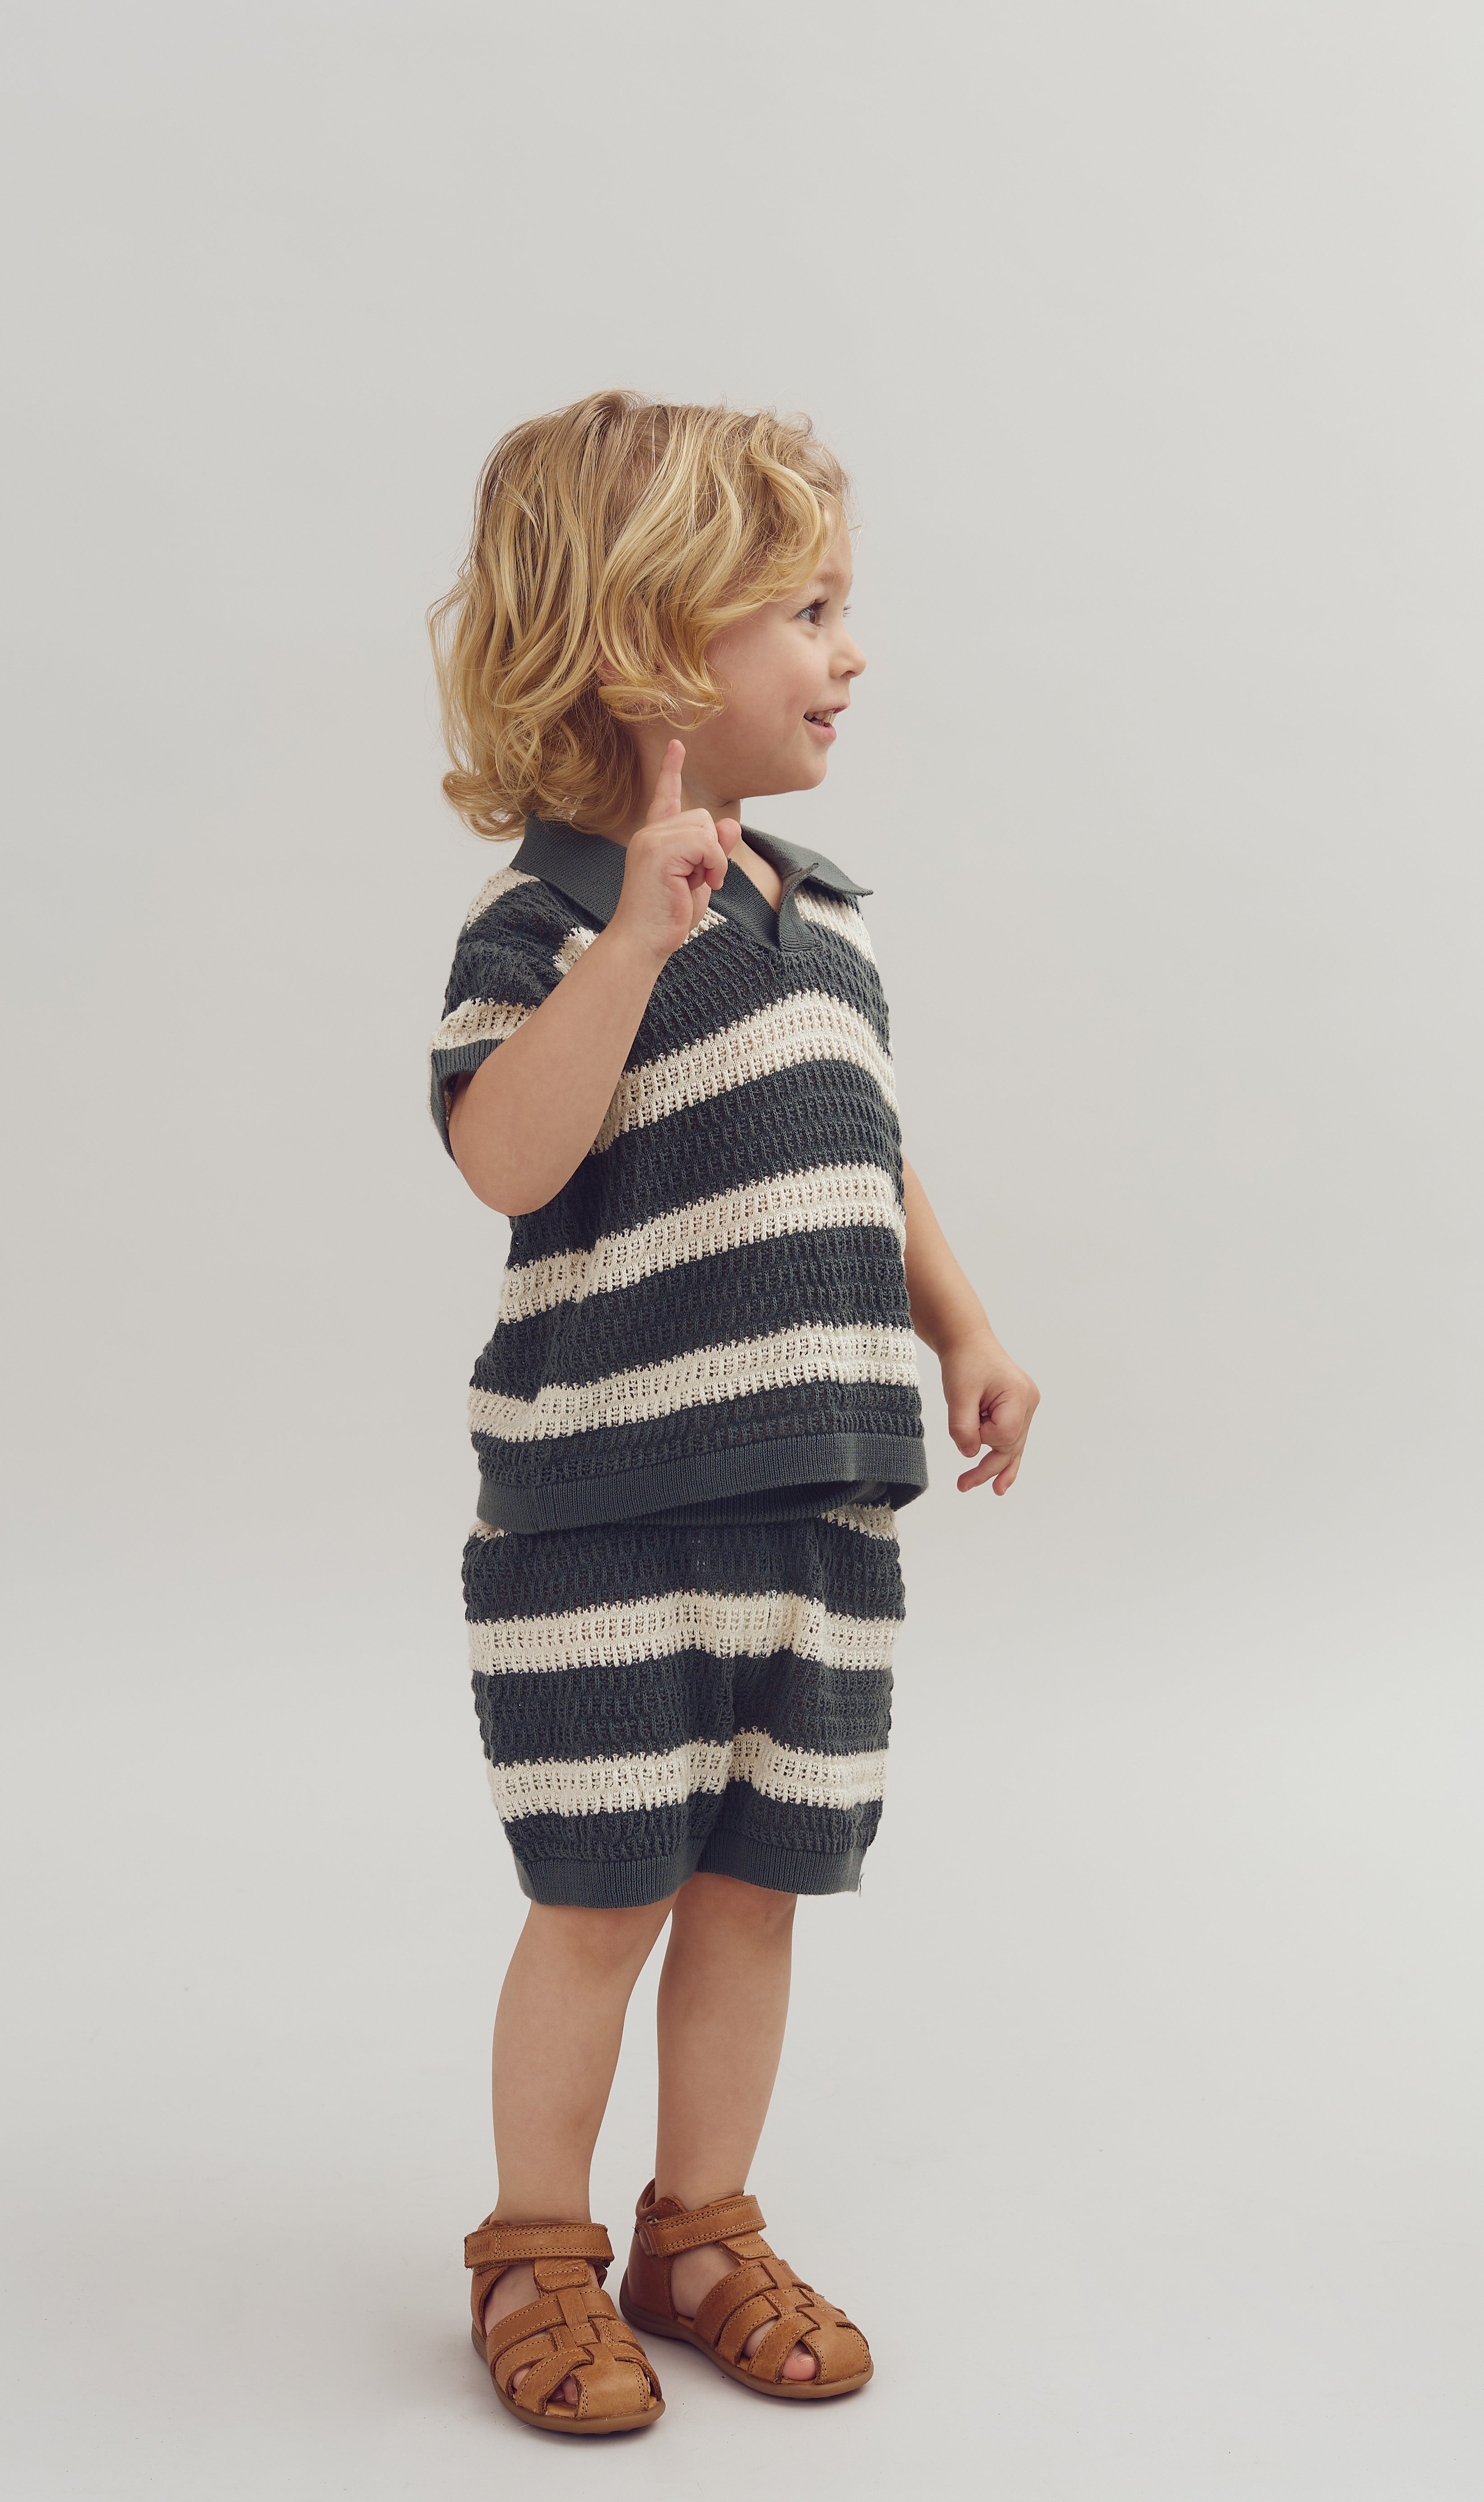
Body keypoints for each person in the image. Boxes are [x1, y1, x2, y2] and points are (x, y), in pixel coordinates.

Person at [425, 391, 1040, 2436]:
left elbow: (867, 1152)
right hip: (610, 1519)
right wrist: (625, 946)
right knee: (599, 1899)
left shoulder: (826, 915)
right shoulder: (547, 930)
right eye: (804, 607)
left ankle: (700, 2226)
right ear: (647, 652)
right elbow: (508, 1155)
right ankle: (536, 2251)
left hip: (818, 1506)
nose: (846, 651)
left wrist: (958, 1319)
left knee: (756, 1892)